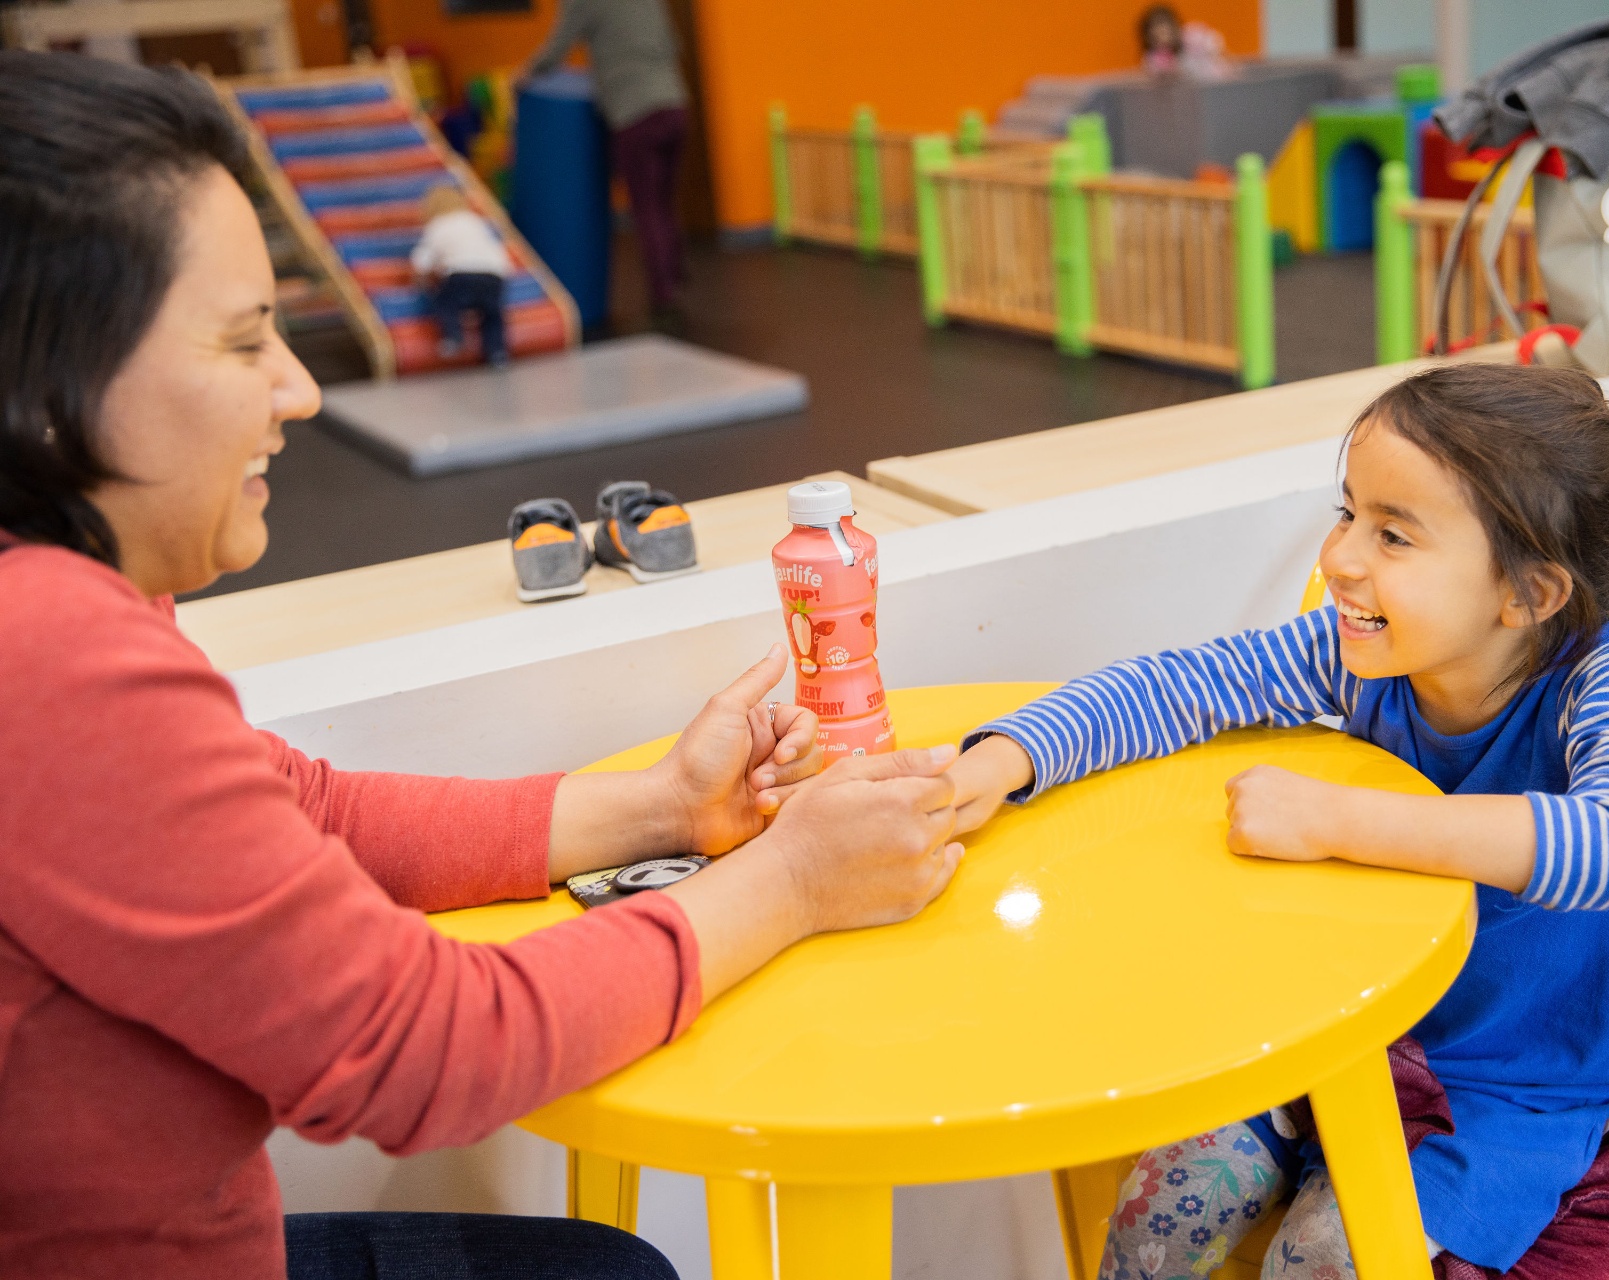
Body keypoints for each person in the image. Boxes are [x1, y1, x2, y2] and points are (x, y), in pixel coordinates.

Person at [0, 51, 965, 1279]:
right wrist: (792, 883)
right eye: (246, 342)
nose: (298, 388)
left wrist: (665, 807)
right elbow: (424, 1048)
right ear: (42, 391)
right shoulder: (48, 659)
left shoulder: (74, 599)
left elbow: (305, 810)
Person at [945, 364, 1609, 1276]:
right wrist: (1001, 760)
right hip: (1335, 1039)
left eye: (1393, 535)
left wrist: (1342, 820)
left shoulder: (1605, 676)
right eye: (1349, 513)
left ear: (1529, 595)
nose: (1337, 559)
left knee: (1320, 1259)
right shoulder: (1360, 653)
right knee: (1153, 1229)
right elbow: (1179, 686)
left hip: (1510, 1093)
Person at [522, 0, 690, 312]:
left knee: (647, 206)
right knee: (664, 199)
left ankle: (663, 292)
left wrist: (523, 76)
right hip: (675, 104)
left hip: (635, 113)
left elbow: (556, 47)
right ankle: (674, 270)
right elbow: (672, 44)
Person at [411, 184, 512, 366]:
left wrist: (420, 277)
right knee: (492, 314)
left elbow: (424, 257)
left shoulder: (438, 224)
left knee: (446, 303)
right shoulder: (474, 220)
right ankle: (497, 352)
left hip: (462, 272)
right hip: (494, 273)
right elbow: (495, 247)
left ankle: (454, 337)